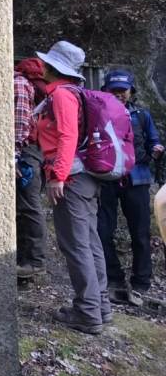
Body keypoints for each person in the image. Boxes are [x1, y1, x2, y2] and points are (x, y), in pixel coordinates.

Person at [35, 41, 111, 334]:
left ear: (54, 68)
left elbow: (67, 136)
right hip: (84, 177)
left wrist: (58, 175)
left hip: (73, 179)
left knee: (76, 245)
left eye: (46, 63)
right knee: (89, 242)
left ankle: (88, 312)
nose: (42, 66)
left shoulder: (62, 96)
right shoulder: (75, 92)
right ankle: (100, 306)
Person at [97, 70, 163, 306]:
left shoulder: (142, 116)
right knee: (103, 231)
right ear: (105, 91)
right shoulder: (98, 113)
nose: (119, 94)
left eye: (123, 90)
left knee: (140, 233)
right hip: (106, 179)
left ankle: (141, 283)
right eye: (114, 90)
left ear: (131, 91)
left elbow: (154, 140)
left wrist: (156, 149)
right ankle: (113, 279)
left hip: (137, 179)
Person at [14, 58, 47, 278]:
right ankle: (25, 259)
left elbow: (19, 122)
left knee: (29, 205)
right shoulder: (27, 83)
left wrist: (14, 155)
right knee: (25, 205)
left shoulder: (19, 83)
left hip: (26, 151)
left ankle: (35, 262)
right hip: (34, 149)